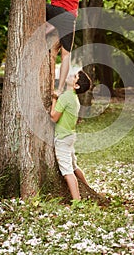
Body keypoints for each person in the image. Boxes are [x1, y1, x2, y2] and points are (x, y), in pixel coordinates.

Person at [46, 0, 123, 97]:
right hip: (68, 18)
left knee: (52, 51)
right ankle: (59, 89)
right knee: (65, 54)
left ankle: (49, 86)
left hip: (54, 15)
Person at [50, 69, 92, 201]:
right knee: (74, 166)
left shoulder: (66, 97)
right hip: (70, 137)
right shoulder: (73, 97)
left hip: (63, 139)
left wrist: (54, 99)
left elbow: (53, 117)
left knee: (67, 172)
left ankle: (77, 202)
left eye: (75, 76)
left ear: (76, 85)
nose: (70, 75)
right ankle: (88, 189)